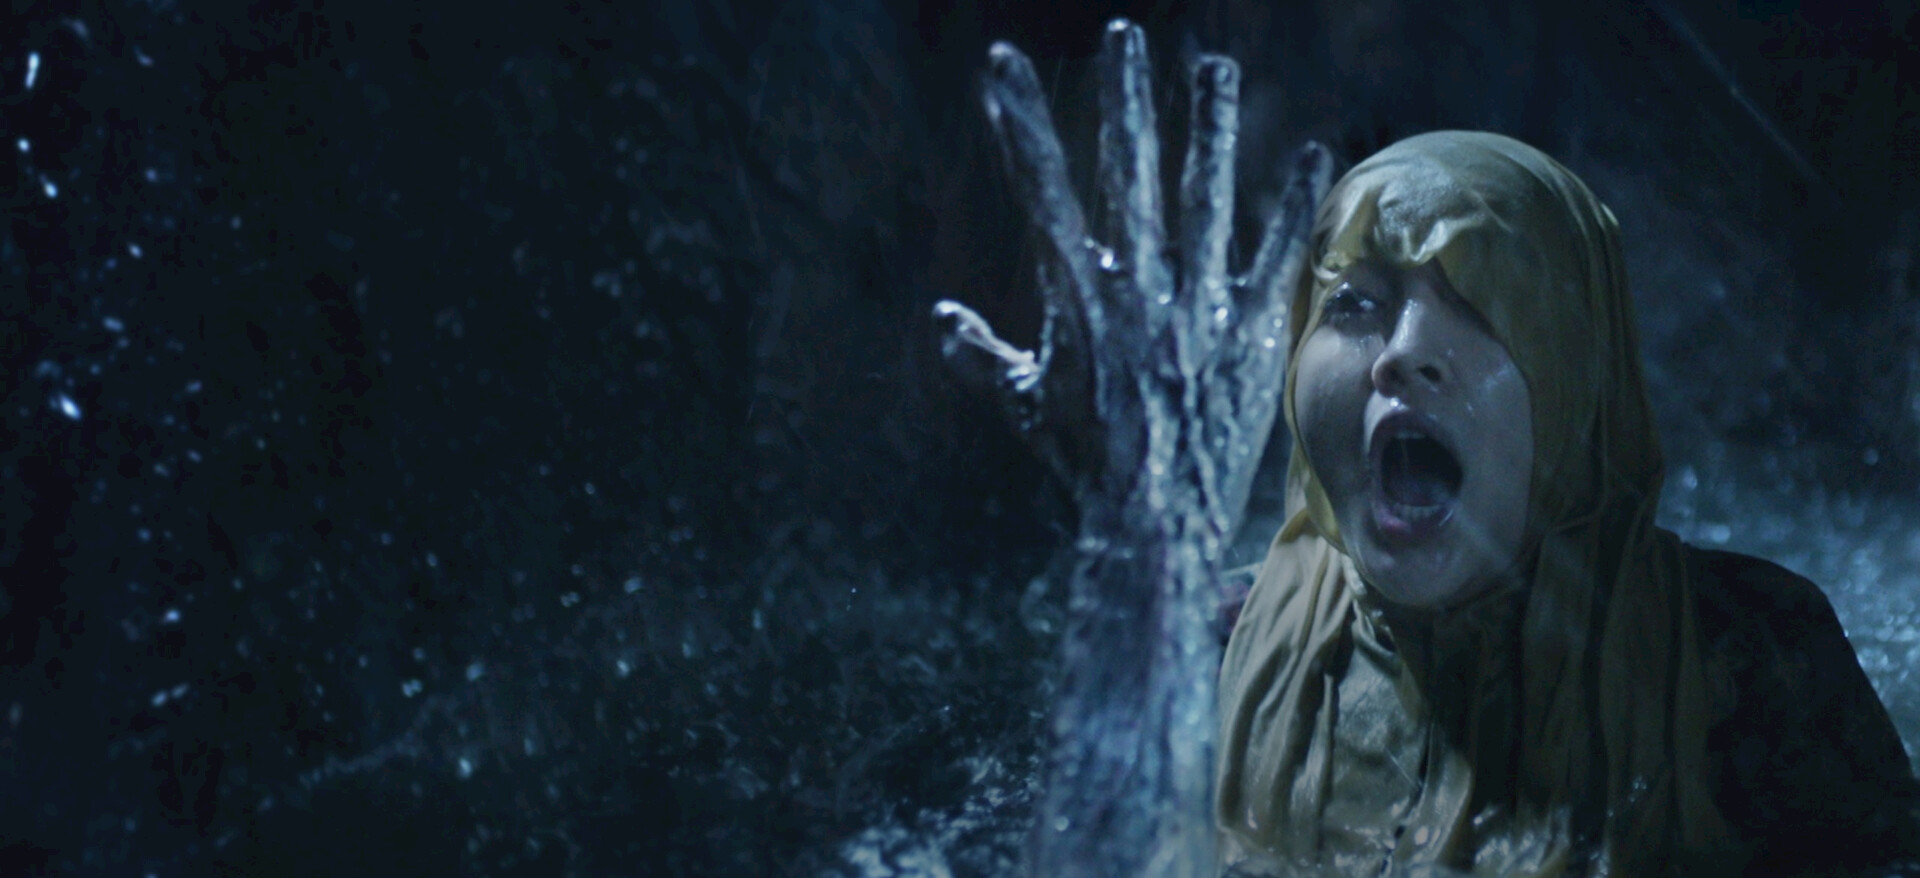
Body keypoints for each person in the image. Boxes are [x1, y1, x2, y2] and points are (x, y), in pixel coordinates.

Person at [1214, 130, 1920, 876]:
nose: (1403, 352)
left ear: (1581, 376)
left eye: (1488, 304)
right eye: (1354, 303)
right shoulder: (1213, 649)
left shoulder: (1752, 663)